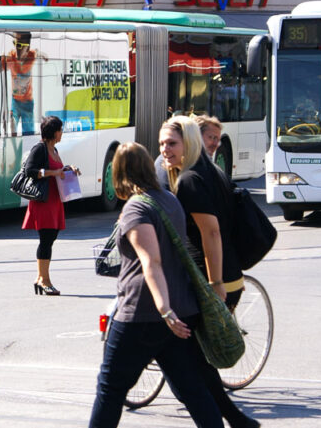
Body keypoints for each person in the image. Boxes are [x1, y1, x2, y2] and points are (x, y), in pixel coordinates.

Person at [89, 142, 222, 428]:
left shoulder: (136, 208)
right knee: (193, 390)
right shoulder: (169, 200)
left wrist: (164, 311)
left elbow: (152, 262)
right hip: (179, 311)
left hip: (143, 314)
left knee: (110, 389)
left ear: (120, 172)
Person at [159, 115, 258, 428]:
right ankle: (233, 418)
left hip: (212, 279)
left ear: (187, 142)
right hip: (224, 274)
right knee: (195, 357)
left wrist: (215, 284)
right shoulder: (208, 170)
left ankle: (229, 417)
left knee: (190, 356)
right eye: (161, 143)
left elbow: (210, 233)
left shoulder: (190, 179)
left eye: (172, 143)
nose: (164, 149)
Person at [21, 115, 79, 296]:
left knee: (51, 238)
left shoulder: (54, 149)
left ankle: (41, 277)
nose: (62, 133)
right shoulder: (40, 148)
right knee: (46, 239)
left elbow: (57, 170)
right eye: (60, 130)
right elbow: (30, 170)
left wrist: (68, 169)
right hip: (44, 201)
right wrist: (55, 172)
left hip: (54, 200)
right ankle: (44, 279)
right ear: (54, 132)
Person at [4, 32, 38, 136]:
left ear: (27, 48)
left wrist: (43, 55)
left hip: (27, 102)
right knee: (12, 129)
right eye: (15, 43)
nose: (16, 48)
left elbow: (36, 52)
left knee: (28, 133)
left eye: (19, 45)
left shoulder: (31, 55)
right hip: (15, 101)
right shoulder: (11, 56)